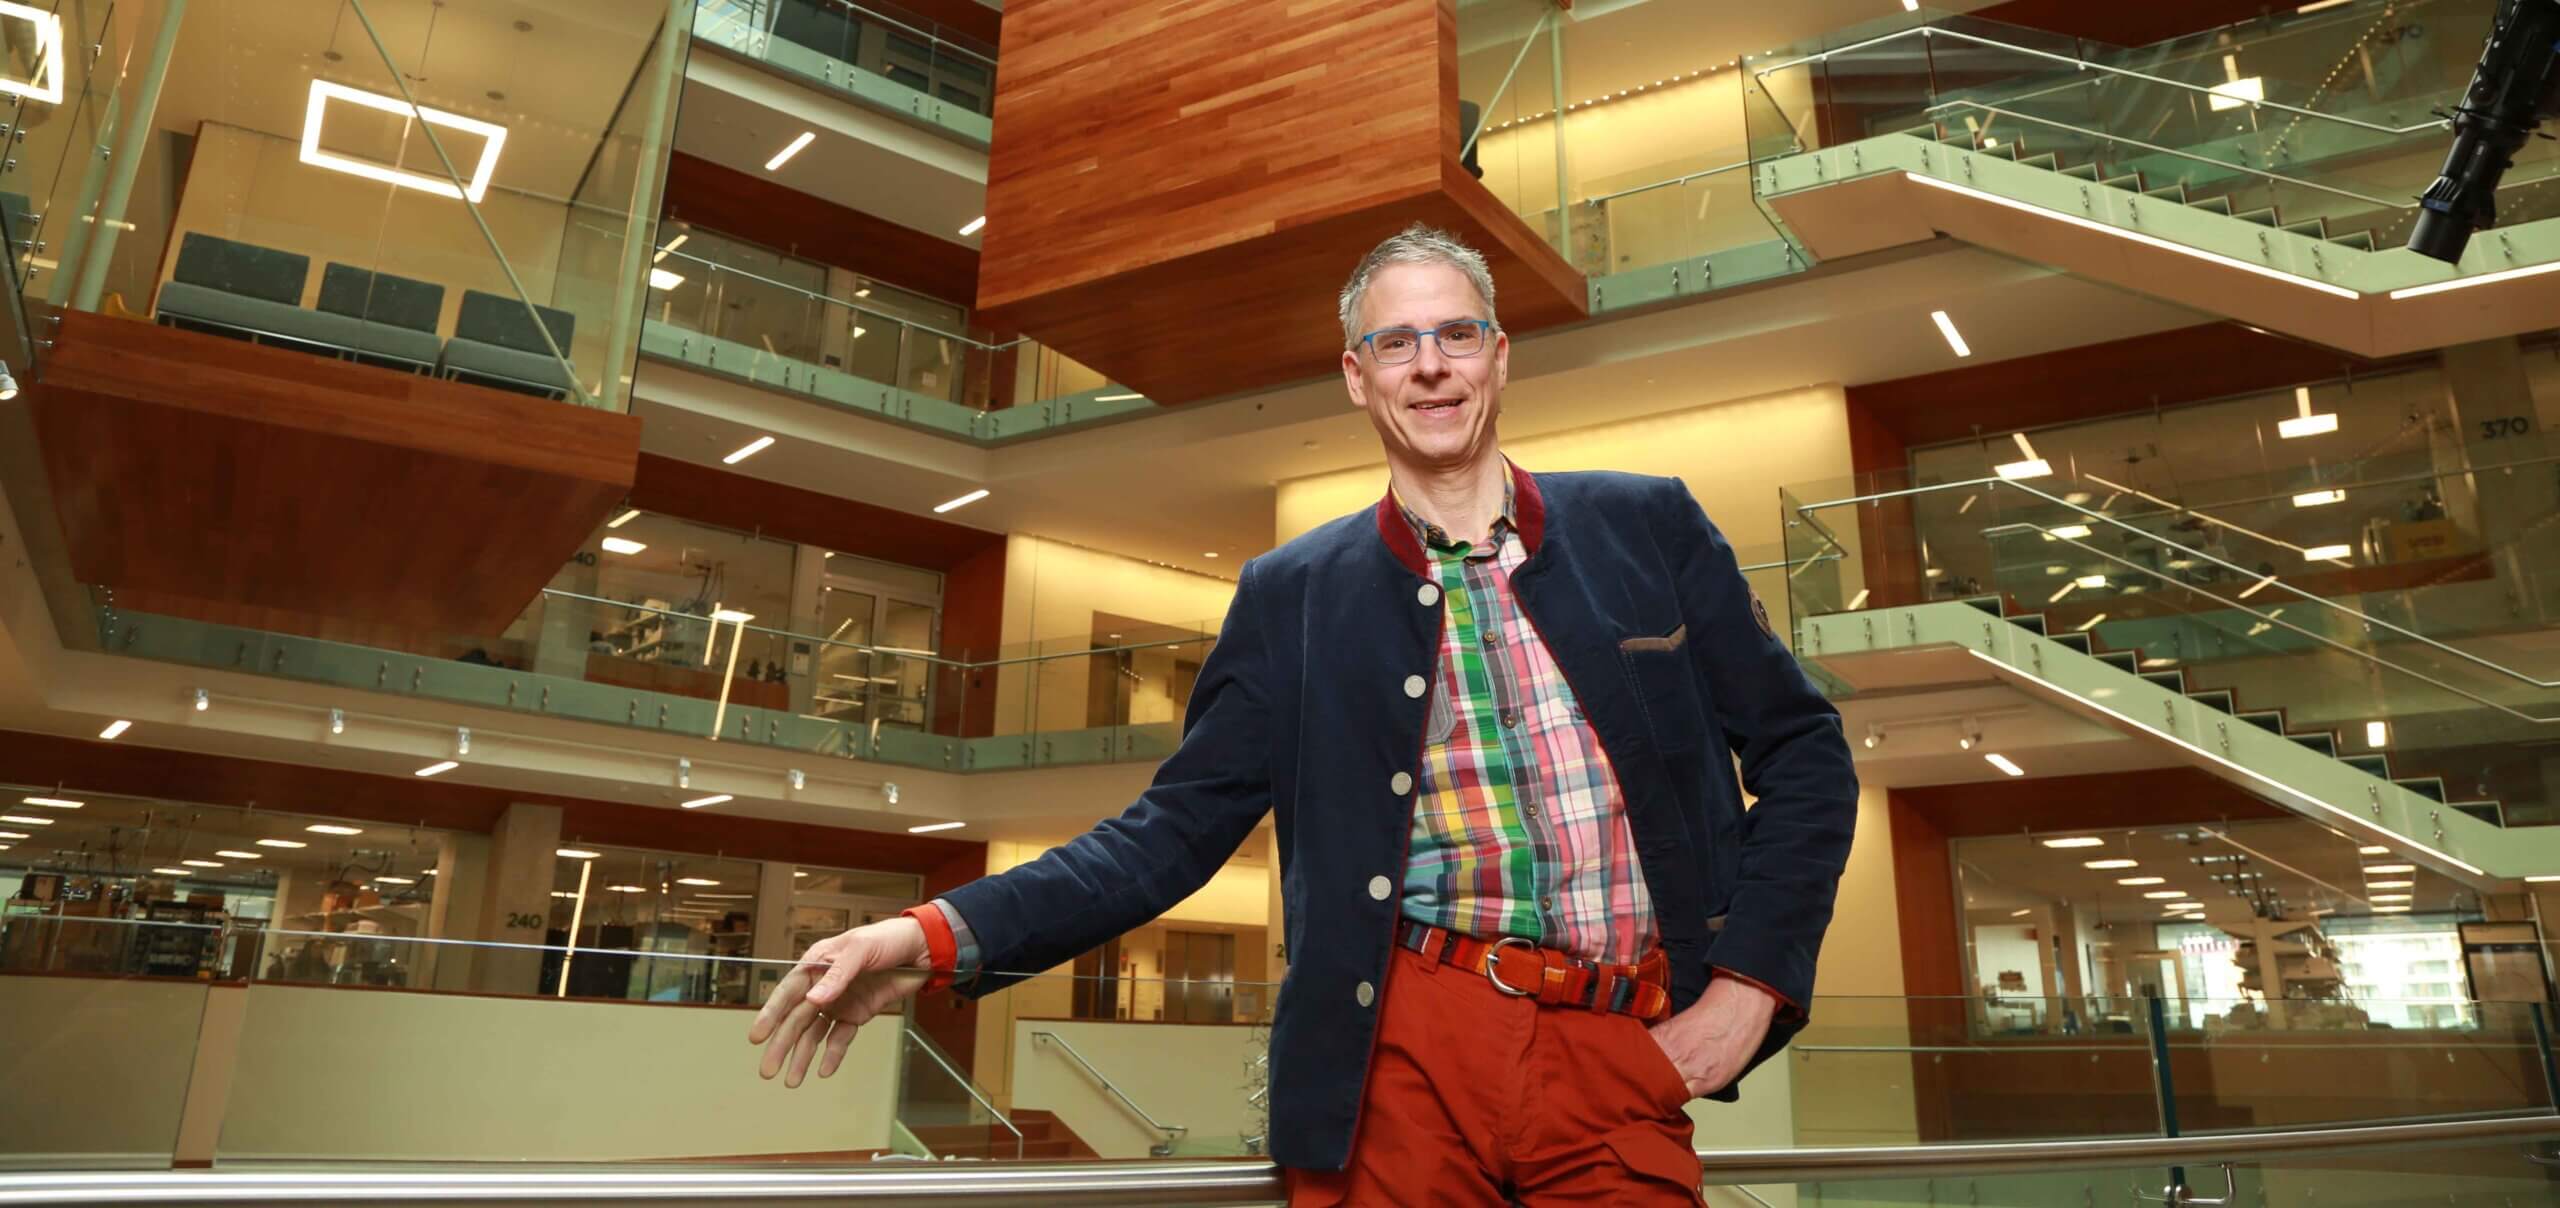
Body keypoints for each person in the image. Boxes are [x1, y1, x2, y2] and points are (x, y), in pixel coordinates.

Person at [747, 224, 1859, 1204]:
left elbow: (1806, 752)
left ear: (1498, 356)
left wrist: (1752, 987)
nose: (1430, 365)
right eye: (1396, 343)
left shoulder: (1647, 525)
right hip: (1404, 1053)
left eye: (1457, 335)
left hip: (1619, 1047)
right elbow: (1168, 834)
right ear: (1355, 376)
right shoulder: (1294, 592)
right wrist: (935, 933)